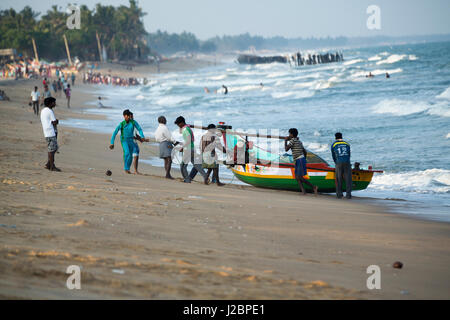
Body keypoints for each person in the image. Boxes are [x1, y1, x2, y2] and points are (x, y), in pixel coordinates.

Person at [110, 109, 146, 174]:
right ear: (124, 116)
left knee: (130, 155)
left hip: (131, 140)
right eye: (127, 116)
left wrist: (142, 136)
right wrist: (112, 143)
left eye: (129, 116)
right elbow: (115, 133)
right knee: (127, 152)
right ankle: (126, 168)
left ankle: (127, 168)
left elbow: (140, 129)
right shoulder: (121, 124)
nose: (129, 117)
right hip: (124, 140)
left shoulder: (133, 122)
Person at [174, 116, 208, 183]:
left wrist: (182, 148)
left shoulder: (185, 129)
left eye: (178, 124)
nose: (178, 126)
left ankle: (187, 179)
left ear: (182, 122)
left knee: (183, 166)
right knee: (196, 165)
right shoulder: (188, 127)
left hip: (188, 150)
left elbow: (188, 140)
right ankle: (205, 176)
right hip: (192, 148)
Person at [285, 128, 318, 195]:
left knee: (299, 177)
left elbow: (286, 149)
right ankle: (303, 191)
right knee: (297, 177)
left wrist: (285, 141)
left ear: (291, 134)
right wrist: (304, 159)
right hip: (300, 159)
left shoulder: (293, 141)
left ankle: (314, 187)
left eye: (289, 134)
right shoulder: (299, 141)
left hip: (299, 160)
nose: (289, 135)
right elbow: (305, 152)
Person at [40, 97, 60, 171]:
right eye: (54, 102)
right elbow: (54, 122)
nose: (55, 104)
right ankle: (52, 166)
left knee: (52, 149)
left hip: (46, 132)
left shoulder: (43, 110)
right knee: (52, 149)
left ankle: (49, 164)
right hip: (51, 132)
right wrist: (57, 121)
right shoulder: (50, 111)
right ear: (50, 103)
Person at [331, 132, 352, 199]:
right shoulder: (347, 144)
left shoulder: (334, 144)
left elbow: (333, 155)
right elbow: (349, 154)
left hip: (339, 162)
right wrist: (347, 161)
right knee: (348, 178)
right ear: (341, 137)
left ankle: (339, 194)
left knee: (338, 178)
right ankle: (348, 195)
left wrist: (336, 162)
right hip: (347, 161)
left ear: (335, 137)